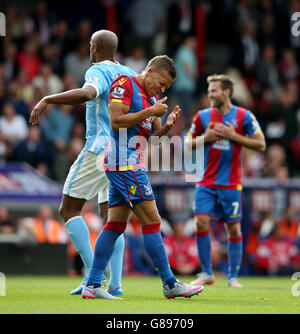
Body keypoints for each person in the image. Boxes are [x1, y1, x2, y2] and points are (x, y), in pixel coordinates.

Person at [81, 55, 204, 300]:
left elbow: (153, 136)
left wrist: (167, 125)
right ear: (149, 70)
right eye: (162, 82)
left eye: (167, 87)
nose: (162, 88)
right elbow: (116, 122)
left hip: (129, 162)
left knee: (115, 224)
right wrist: (150, 110)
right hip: (124, 163)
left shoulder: (153, 98)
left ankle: (93, 283)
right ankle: (170, 283)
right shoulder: (124, 84)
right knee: (152, 220)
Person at [29, 30, 137, 296]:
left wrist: (47, 99)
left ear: (95, 47)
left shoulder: (97, 71)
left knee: (68, 209)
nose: (89, 49)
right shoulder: (129, 73)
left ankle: (93, 278)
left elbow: (88, 93)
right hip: (122, 152)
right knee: (110, 218)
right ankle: (116, 284)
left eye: (90, 45)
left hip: (99, 149)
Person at [185, 74, 266, 288]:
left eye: (214, 90)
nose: (210, 94)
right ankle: (206, 273)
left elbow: (261, 144)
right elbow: (187, 143)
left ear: (226, 92)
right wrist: (207, 138)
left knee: (233, 229)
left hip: (231, 183)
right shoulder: (202, 116)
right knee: (200, 221)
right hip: (205, 181)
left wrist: (233, 135)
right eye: (209, 90)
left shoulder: (244, 116)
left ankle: (232, 277)